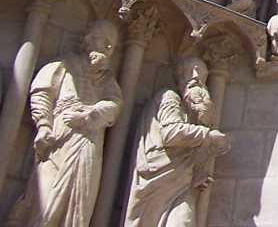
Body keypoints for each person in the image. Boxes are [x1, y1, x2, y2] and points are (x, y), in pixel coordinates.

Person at [7, 21, 122, 227]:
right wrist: (43, 125)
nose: (105, 48)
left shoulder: (106, 80)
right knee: (47, 197)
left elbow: (115, 105)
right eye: (102, 40)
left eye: (110, 46)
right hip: (60, 139)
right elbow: (42, 92)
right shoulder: (64, 65)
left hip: (88, 143)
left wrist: (91, 113)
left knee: (80, 202)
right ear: (88, 39)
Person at [124, 57, 230, 227]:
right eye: (191, 71)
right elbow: (171, 133)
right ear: (180, 77)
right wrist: (207, 135)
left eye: (201, 73)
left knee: (184, 222)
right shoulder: (169, 97)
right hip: (156, 181)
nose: (195, 77)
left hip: (181, 184)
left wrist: (200, 172)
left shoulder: (192, 113)